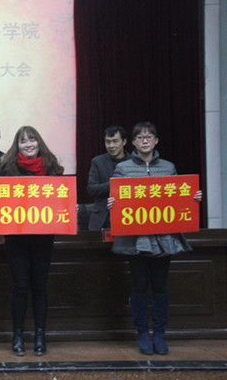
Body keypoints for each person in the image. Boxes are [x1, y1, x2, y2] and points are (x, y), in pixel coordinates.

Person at [108, 121, 203, 356]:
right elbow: (117, 197)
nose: (145, 141)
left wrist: (193, 197)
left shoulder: (169, 167)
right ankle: (142, 332)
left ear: (156, 140)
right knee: (139, 286)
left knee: (160, 286)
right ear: (133, 142)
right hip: (135, 239)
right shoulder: (123, 168)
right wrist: (113, 203)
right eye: (140, 137)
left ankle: (159, 333)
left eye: (149, 137)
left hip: (163, 237)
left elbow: (178, 197)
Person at [0, 126, 64, 357]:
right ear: (17, 145)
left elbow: (60, 199)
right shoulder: (7, 167)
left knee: (40, 286)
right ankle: (17, 336)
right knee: (20, 286)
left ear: (39, 142)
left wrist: (68, 207)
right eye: (23, 141)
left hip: (43, 237)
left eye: (32, 140)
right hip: (16, 238)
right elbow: (1, 199)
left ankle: (39, 336)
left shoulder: (52, 167)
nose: (28, 145)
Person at [86, 125, 130, 230]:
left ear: (124, 142)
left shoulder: (133, 162)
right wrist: (115, 184)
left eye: (115, 141)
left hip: (128, 215)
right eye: (108, 142)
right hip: (102, 217)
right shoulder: (98, 162)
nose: (111, 146)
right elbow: (91, 189)